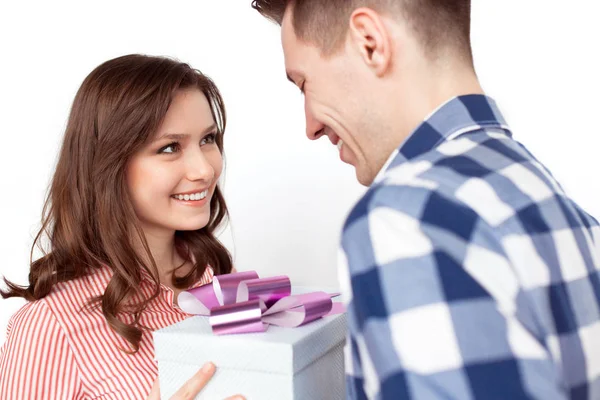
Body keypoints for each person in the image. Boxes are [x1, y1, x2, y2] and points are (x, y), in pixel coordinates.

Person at [251, 1, 600, 399]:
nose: (310, 125)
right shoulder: (552, 202)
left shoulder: (406, 221)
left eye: (303, 83)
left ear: (370, 43)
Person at [0, 54, 243, 400]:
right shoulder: (51, 326)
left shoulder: (219, 279)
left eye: (208, 139)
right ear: (108, 165)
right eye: (170, 147)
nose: (204, 169)